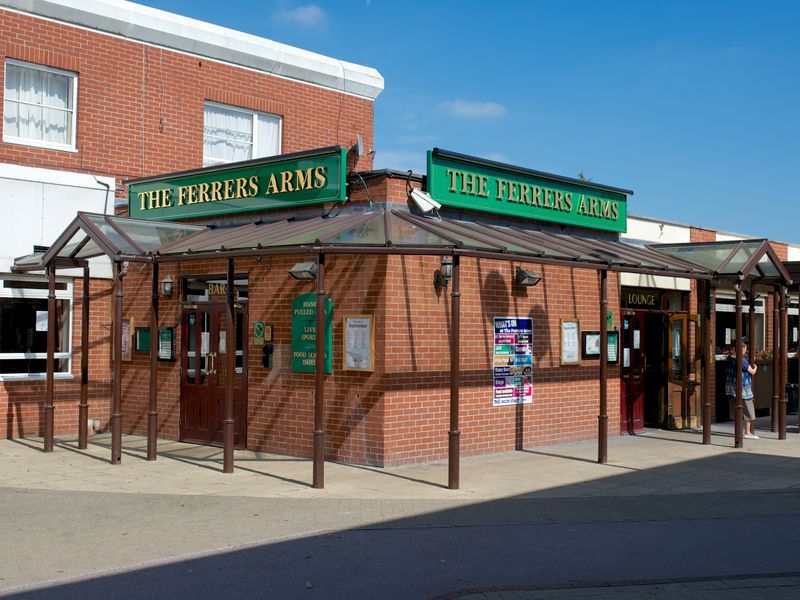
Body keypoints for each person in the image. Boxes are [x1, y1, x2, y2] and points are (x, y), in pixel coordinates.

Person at [725, 337, 759, 439]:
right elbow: (752, 371)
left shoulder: (730, 358)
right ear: (742, 349)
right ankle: (747, 432)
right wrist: (755, 367)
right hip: (743, 389)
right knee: (749, 411)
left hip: (731, 389)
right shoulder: (742, 361)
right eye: (745, 349)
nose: (746, 351)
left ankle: (738, 431)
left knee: (737, 411)